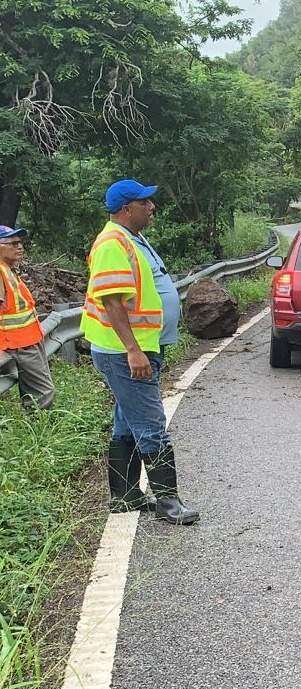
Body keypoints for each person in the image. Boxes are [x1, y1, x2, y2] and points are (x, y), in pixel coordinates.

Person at [82, 179, 199, 524]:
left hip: (138, 348)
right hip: (124, 353)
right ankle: (169, 503)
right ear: (125, 208)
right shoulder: (111, 243)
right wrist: (133, 350)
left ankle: (125, 496)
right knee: (151, 425)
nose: (152, 207)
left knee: (126, 421)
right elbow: (112, 301)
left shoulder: (132, 238)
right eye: (145, 202)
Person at [0, 225, 55, 410]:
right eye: (13, 243)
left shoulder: (8, 270)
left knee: (38, 395)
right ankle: (40, 433)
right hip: (17, 345)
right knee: (42, 395)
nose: (20, 247)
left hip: (26, 342)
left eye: (21, 243)